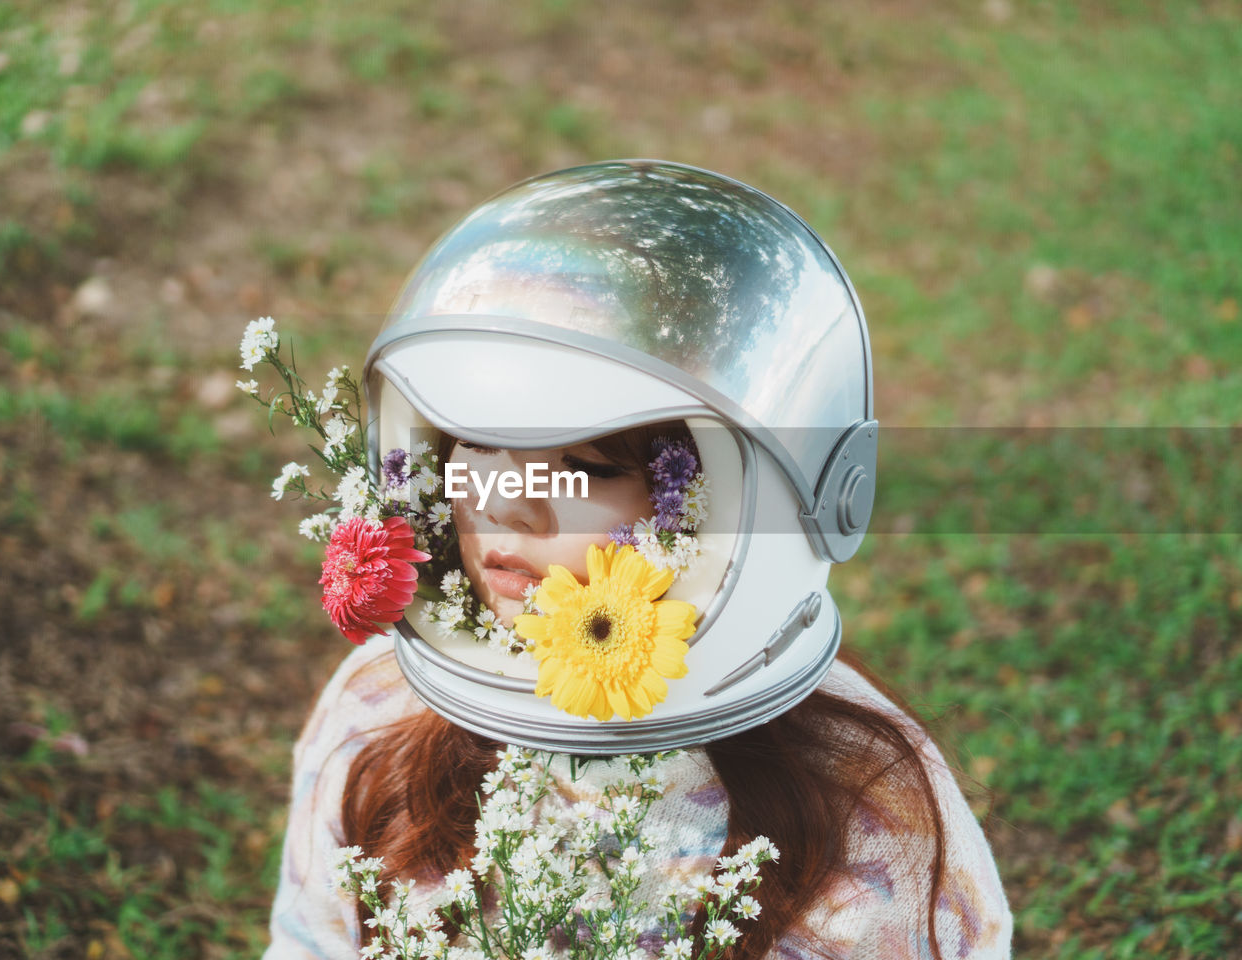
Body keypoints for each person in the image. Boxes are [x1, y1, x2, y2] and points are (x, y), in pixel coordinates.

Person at [263, 161, 1012, 959]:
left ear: (721, 507)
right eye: (477, 442)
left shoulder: (865, 817)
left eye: (584, 468)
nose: (507, 503)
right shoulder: (376, 717)